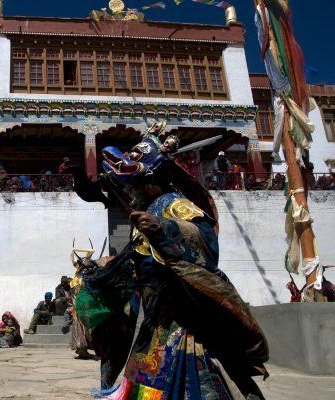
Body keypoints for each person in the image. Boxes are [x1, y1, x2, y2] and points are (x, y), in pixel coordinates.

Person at [68, 126, 268, 398]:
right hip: (152, 312)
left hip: (181, 310)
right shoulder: (145, 207)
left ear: (153, 180)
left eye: (136, 185)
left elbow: (205, 238)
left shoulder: (174, 203)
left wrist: (163, 229)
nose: (132, 191)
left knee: (202, 375)